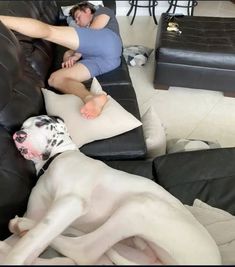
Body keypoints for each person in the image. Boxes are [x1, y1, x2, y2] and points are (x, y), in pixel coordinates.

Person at [0, 1, 122, 119]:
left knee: (50, 32)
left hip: (110, 42)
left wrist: (76, 55)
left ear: (88, 10)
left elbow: (94, 31)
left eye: (78, 17)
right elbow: (69, 53)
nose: (77, 22)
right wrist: (68, 58)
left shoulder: (103, 10)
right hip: (108, 61)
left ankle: (3, 19)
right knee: (55, 79)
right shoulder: (81, 39)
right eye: (75, 20)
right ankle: (90, 98)